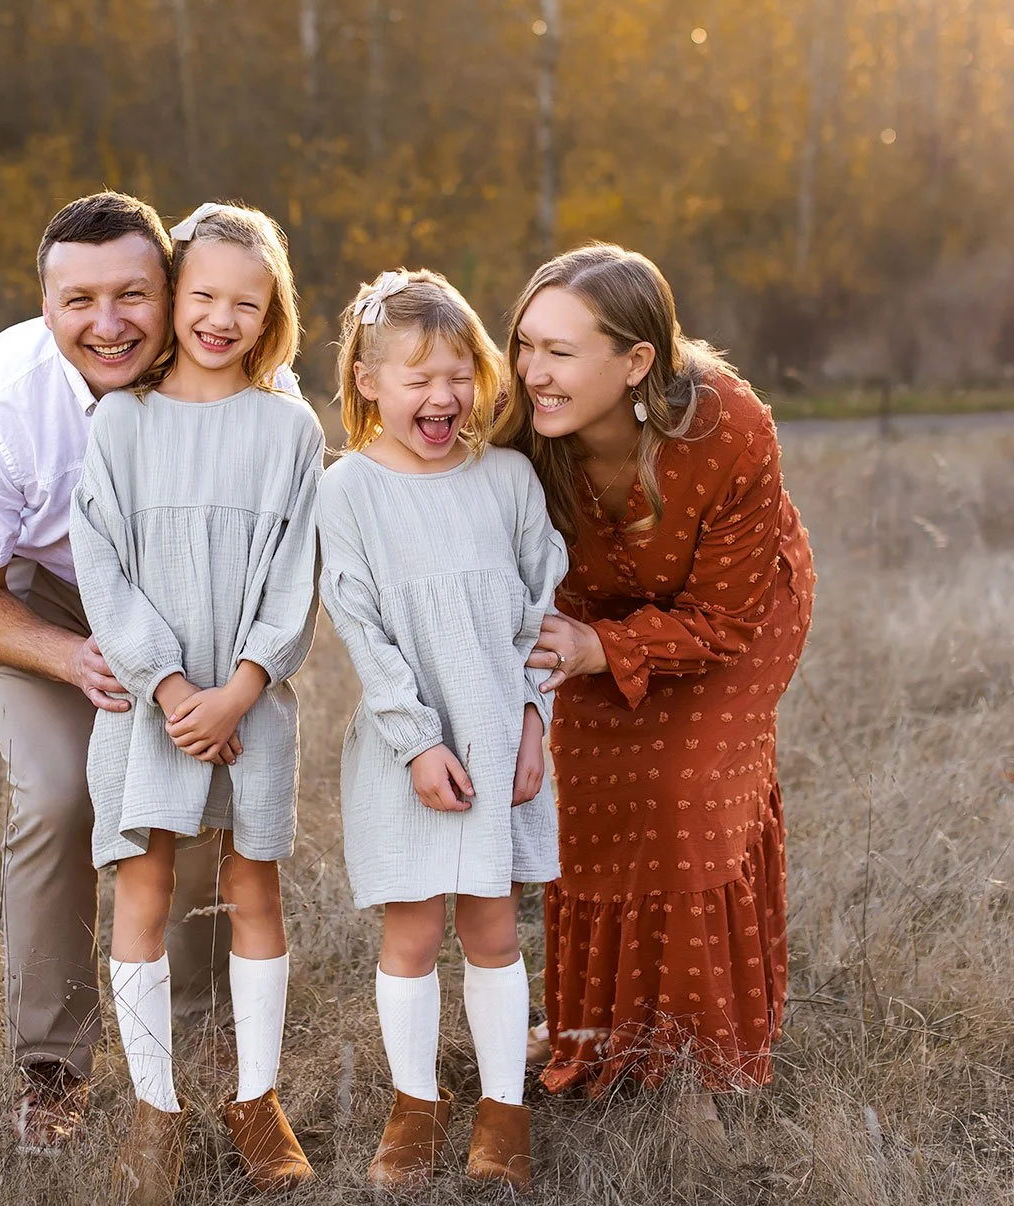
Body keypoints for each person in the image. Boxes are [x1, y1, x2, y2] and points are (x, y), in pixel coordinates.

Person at [0, 191, 252, 1153]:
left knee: (188, 798)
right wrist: (71, 656)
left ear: (172, 290)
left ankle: (204, 1054)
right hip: (46, 606)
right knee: (62, 796)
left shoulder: (228, 373)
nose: (106, 326)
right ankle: (52, 1070)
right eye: (78, 302)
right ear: (44, 302)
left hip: (185, 599)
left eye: (132, 295)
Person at [498, 243, 815, 1115]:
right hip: (591, 615)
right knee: (596, 802)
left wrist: (602, 650)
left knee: (686, 793)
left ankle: (698, 1072)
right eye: (525, 345)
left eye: (559, 353)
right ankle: (601, 1038)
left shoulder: (730, 428)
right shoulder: (518, 425)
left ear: (637, 362)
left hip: (737, 613)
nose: (532, 372)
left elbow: (726, 618)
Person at [71, 203, 324, 1203]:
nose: (222, 318)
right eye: (204, 295)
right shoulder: (121, 424)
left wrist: (241, 688)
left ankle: (255, 1100)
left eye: (245, 303)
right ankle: (154, 1110)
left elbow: (294, 577)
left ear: (272, 315)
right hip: (149, 704)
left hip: (249, 702)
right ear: (173, 297)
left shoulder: (288, 430)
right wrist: (171, 686)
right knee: (142, 885)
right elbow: (101, 565)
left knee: (254, 887)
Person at [315, 270, 568, 1195]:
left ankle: (504, 1111)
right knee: (414, 932)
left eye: (460, 373)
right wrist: (418, 741)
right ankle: (414, 1103)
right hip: (409, 746)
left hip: (501, 736)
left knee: (495, 928)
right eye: (419, 376)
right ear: (368, 381)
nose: (444, 396)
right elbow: (361, 627)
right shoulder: (348, 491)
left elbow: (541, 610)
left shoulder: (506, 479)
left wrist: (534, 722)